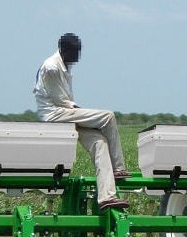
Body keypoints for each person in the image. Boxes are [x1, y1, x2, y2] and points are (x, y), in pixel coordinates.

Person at [33, 33, 131, 210]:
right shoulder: (51, 67)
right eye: (75, 52)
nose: (78, 56)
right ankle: (119, 168)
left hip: (65, 114)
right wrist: (88, 118)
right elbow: (60, 100)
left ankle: (107, 197)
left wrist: (85, 118)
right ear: (64, 50)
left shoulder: (64, 65)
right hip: (55, 115)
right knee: (108, 116)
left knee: (100, 143)